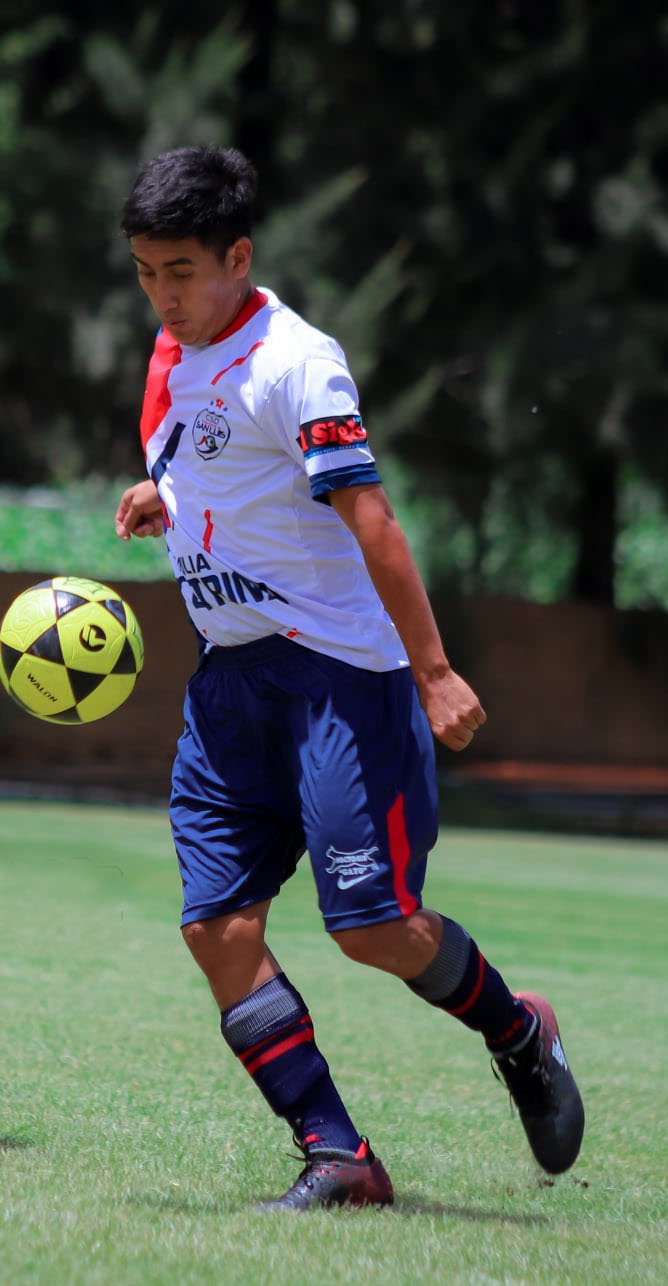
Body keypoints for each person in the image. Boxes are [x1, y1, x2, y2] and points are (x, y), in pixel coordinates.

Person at [111, 146, 582, 1210]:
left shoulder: (298, 360)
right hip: (229, 684)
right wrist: (160, 498)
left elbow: (369, 516)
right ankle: (339, 1154)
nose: (163, 294)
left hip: (342, 683)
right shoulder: (169, 352)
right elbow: (205, 462)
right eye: (146, 271)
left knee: (373, 926)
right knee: (217, 928)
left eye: (181, 270)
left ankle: (520, 1030)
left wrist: (434, 670)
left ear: (239, 255)